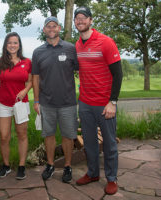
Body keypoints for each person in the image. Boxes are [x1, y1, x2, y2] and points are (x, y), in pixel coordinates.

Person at [73, 6, 123, 195]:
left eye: (83, 17)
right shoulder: (77, 45)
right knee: (90, 142)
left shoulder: (106, 42)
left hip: (104, 104)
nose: (80, 21)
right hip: (85, 103)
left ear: (91, 20)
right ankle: (93, 173)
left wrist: (113, 101)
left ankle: (111, 178)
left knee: (109, 143)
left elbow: (118, 74)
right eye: (77, 18)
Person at [32, 17, 79, 183]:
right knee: (49, 135)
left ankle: (67, 166)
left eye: (54, 26)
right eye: (48, 26)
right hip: (46, 103)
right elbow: (35, 78)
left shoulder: (70, 48)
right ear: (44, 30)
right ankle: (50, 165)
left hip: (68, 102)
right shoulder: (38, 52)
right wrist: (36, 101)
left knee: (68, 136)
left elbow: (81, 71)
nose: (51, 29)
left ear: (59, 28)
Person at [0, 32, 32, 180]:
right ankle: (6, 166)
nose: (12, 45)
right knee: (4, 136)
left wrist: (25, 90)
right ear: (5, 45)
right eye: (10, 43)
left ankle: (21, 166)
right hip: (3, 103)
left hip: (21, 103)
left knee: (22, 134)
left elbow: (30, 81)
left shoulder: (27, 62)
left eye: (15, 43)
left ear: (19, 45)